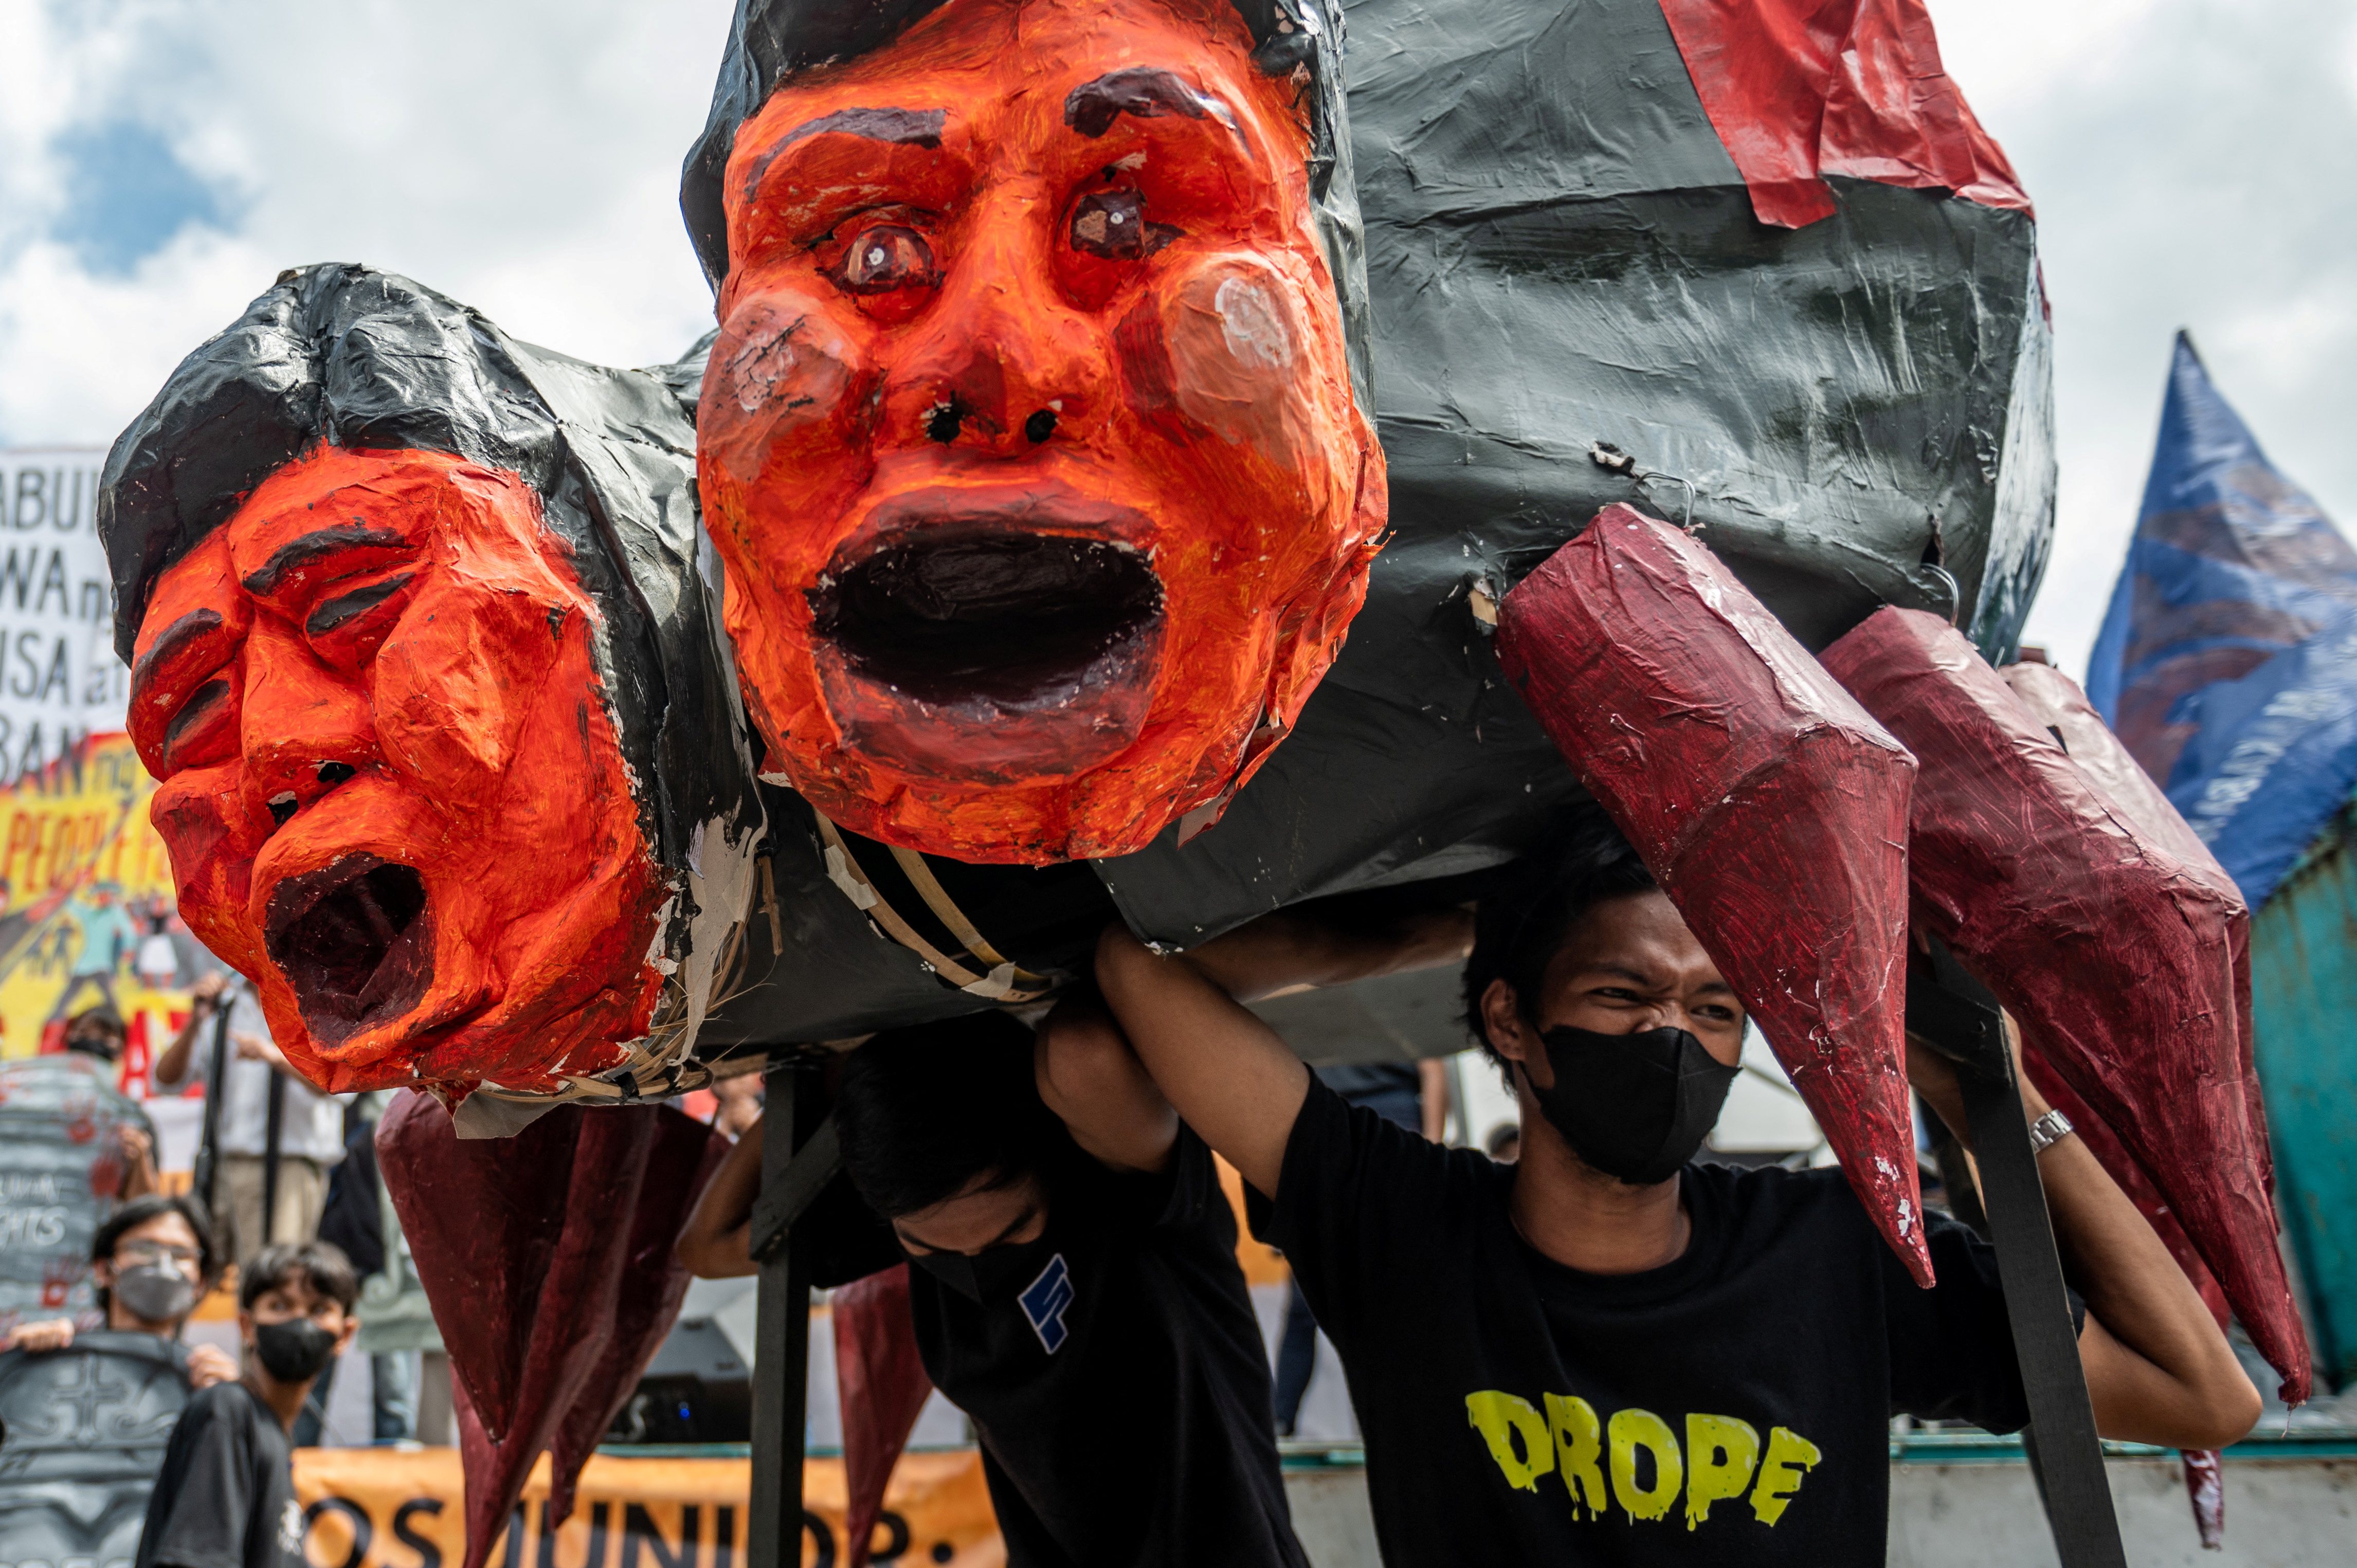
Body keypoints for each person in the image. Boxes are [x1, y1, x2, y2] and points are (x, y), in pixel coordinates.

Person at [1095, 807, 2263, 1566]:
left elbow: (2198, 1395)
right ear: (1513, 1018)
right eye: (1619, 994)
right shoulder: (1401, 1224)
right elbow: (1136, 971)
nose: (1669, 1038)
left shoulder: (1835, 1254)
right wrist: (1467, 922)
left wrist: (1988, 1096)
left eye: (1712, 1009)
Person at [679, 1008, 1313, 1568]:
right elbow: (707, 1246)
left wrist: (863, 1038)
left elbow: (1082, 1048)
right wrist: (829, 1086)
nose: (970, 1259)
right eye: (930, 1246)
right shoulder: (917, 1206)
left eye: (1013, 1230)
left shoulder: (1127, 1199)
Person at [135, 1241, 359, 1568]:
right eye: (280, 1306)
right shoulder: (229, 1411)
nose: (299, 1321)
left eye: (319, 1310)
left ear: (345, 1334)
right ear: (247, 1326)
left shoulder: (272, 1435)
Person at [1271, 1057, 1447, 1436]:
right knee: (1305, 1296)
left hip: (1392, 1111)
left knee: (1392, 1286)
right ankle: (1280, 1419)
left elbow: (1432, 1067)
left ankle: (1410, 1422)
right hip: (1324, 1114)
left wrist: (1431, 1155)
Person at [154, 972, 347, 1266]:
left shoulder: (316, 1006)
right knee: (194, 1267)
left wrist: (273, 1057)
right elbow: (166, 1082)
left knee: (272, 1277)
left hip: (287, 1168)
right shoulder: (224, 1007)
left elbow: (342, 1088)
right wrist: (196, 1019)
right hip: (222, 1165)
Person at [0, 1193, 235, 1391]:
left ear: (201, 1282)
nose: (163, 1264)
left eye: (180, 1254)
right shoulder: (57, 1360)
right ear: (104, 1270)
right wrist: (20, 1363)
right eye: (144, 1248)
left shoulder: (209, 1380)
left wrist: (237, 1403)